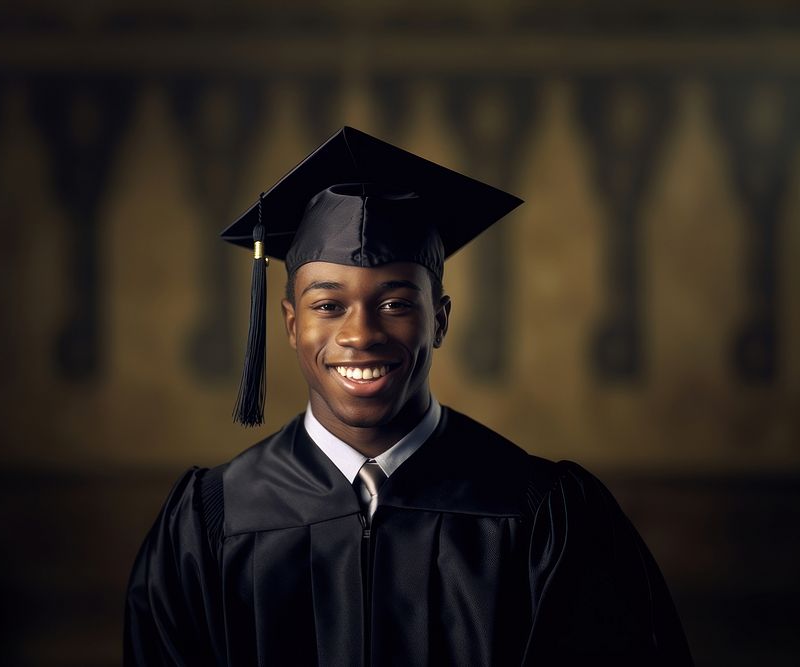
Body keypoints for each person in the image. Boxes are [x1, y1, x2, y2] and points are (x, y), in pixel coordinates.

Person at [124, 126, 693, 666]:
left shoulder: (543, 516)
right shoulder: (210, 520)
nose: (361, 334)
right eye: (328, 306)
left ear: (440, 321)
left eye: (396, 303)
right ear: (291, 324)